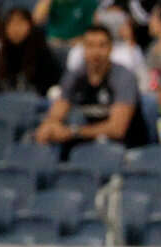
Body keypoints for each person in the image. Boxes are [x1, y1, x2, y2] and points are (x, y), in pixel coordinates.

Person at [34, 24, 148, 156]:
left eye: (102, 46)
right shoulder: (75, 76)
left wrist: (73, 132)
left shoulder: (124, 77)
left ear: (111, 49)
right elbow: (57, 111)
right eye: (90, 45)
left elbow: (117, 129)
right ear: (83, 49)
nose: (96, 52)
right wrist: (50, 127)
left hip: (122, 149)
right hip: (85, 143)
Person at [0, 8, 61, 95]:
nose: (15, 28)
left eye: (20, 23)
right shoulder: (0, 51)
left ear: (30, 25)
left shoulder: (42, 52)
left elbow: (51, 86)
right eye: (10, 23)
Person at [33, 0, 100, 46]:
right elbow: (37, 20)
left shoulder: (89, 2)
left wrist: (81, 40)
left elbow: (95, 29)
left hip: (78, 44)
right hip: (53, 43)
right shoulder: (53, 2)